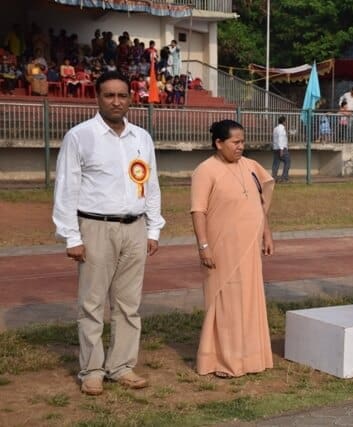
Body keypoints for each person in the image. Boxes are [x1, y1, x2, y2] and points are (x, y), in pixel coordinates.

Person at [52, 71, 165, 396]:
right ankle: (91, 370)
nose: (116, 101)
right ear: (97, 98)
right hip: (95, 227)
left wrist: (153, 227)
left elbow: (151, 185)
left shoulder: (141, 138)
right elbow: (67, 188)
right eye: (109, 95)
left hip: (135, 228)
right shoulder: (80, 136)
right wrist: (72, 236)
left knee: (129, 304)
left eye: (122, 95)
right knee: (92, 303)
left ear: (131, 98)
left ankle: (122, 366)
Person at [190, 119, 275, 378]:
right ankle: (224, 361)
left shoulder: (250, 166)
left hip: (248, 247)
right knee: (227, 303)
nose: (240, 147)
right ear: (218, 143)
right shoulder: (205, 170)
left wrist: (266, 233)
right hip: (221, 248)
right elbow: (198, 211)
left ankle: (251, 358)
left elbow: (259, 202)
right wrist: (203, 246)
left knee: (250, 299)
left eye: (243, 142)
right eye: (235, 142)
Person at [272, 116, 291, 183]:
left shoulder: (275, 128)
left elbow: (275, 139)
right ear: (283, 121)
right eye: (286, 121)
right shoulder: (281, 129)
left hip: (275, 148)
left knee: (276, 164)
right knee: (287, 161)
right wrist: (281, 149)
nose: (286, 122)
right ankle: (284, 178)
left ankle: (274, 178)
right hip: (281, 148)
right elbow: (280, 138)